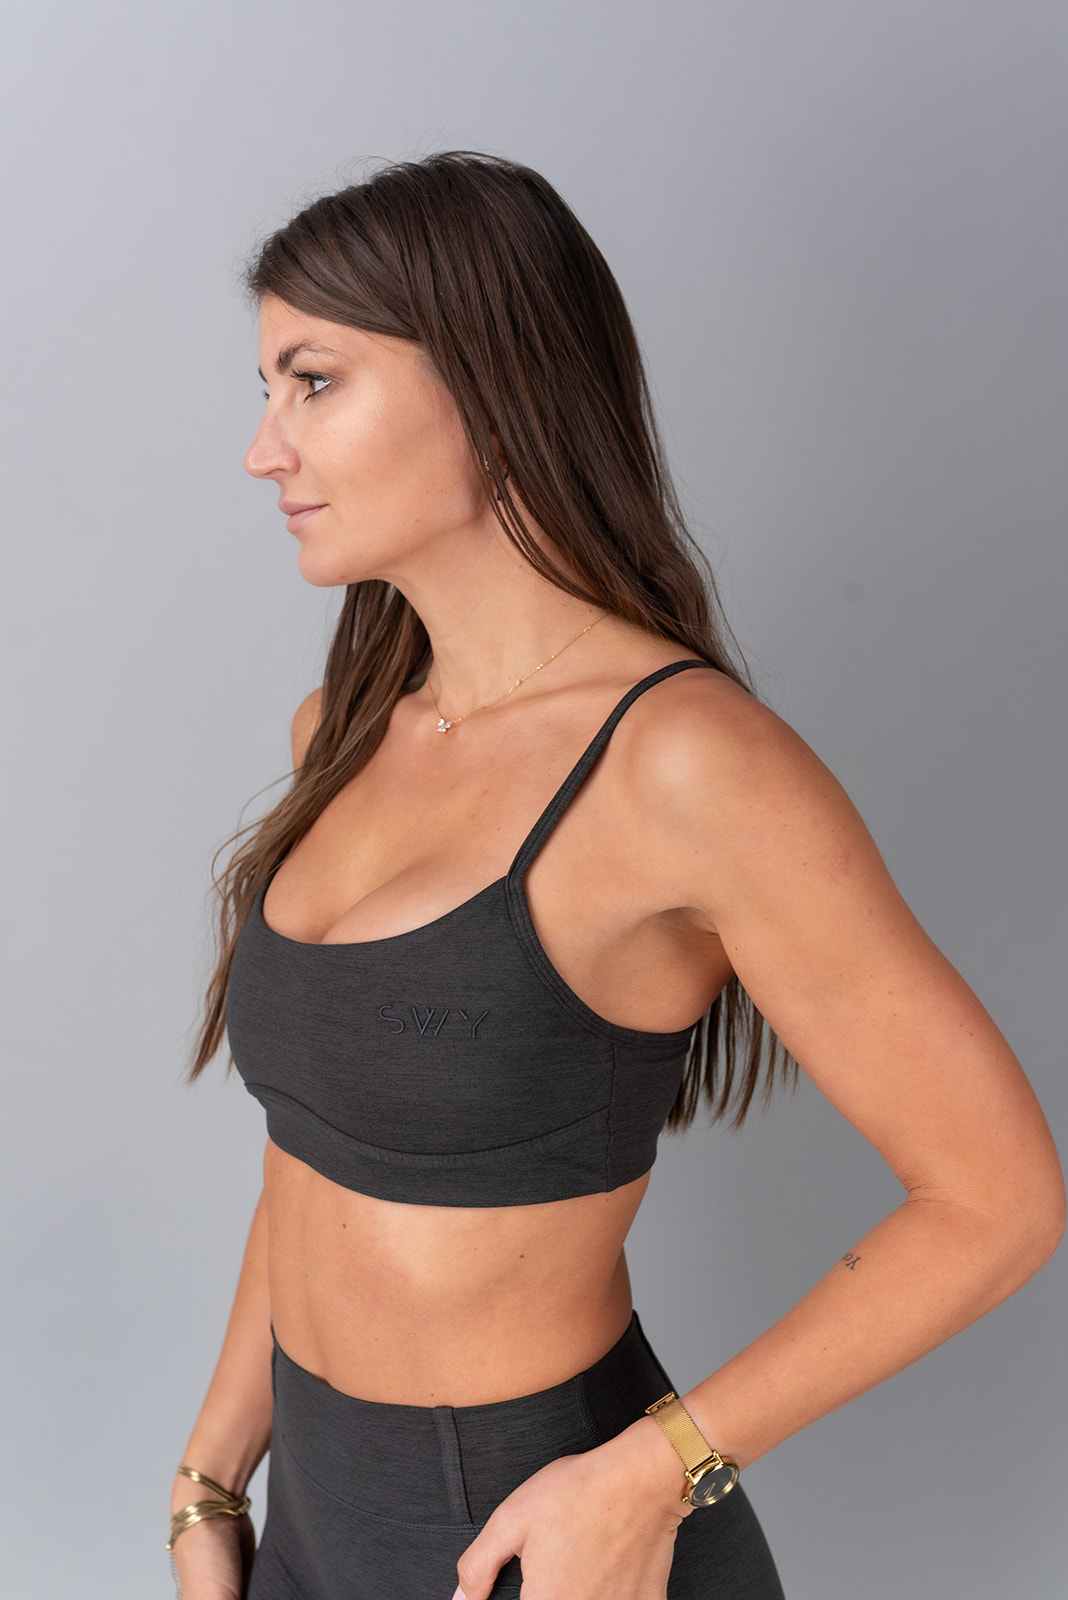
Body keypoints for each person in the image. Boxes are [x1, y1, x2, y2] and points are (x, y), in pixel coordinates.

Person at [167, 151, 1064, 1600]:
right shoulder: (341, 733)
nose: (265, 450)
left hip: (539, 1531)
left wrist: (658, 1473)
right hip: (310, 1522)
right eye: (269, 390)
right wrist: (213, 1472)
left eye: (313, 382)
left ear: (488, 380)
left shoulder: (687, 768)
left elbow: (999, 1198)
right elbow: (318, 1148)